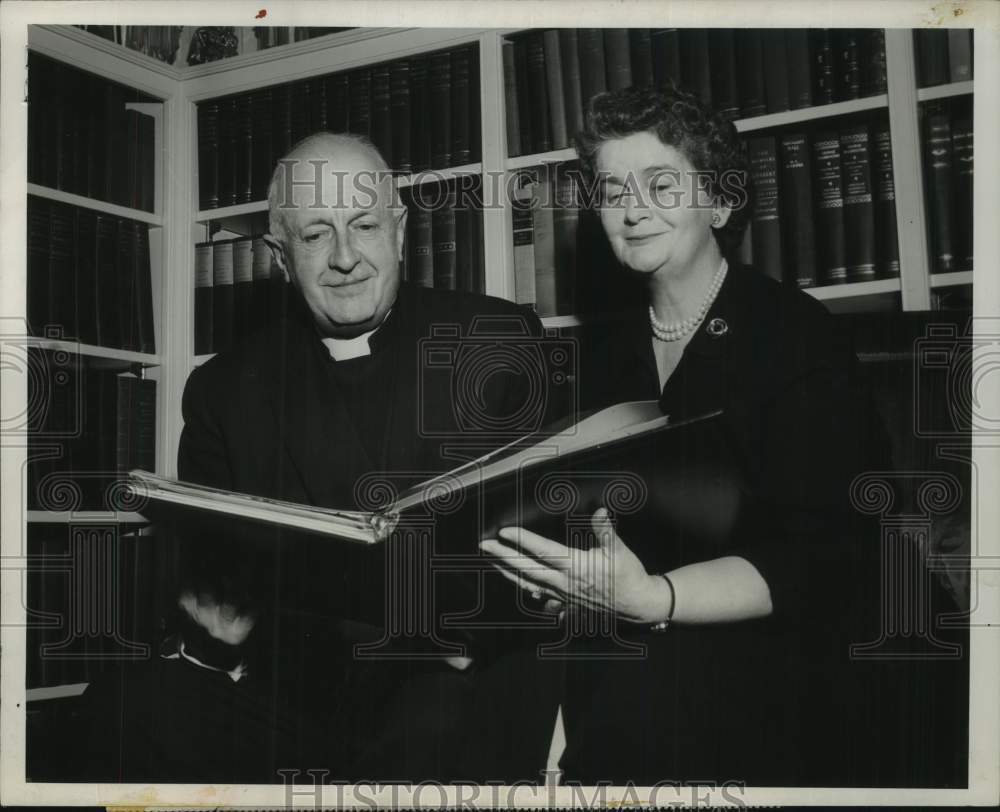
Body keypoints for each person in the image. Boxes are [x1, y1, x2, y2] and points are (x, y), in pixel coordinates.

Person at [481, 85, 967, 786]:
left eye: (660, 183)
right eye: (612, 188)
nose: (631, 207)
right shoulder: (601, 360)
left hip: (826, 639)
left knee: (642, 715)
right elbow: (609, 526)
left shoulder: (796, 336)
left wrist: (654, 599)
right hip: (662, 625)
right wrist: (563, 577)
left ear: (719, 201)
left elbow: (824, 556)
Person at [79, 132, 565, 783]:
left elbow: (550, 543)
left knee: (431, 726)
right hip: (295, 691)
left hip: (460, 673)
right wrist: (211, 625)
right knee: (122, 706)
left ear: (398, 231)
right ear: (281, 257)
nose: (344, 258)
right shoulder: (226, 387)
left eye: (363, 225)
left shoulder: (496, 339)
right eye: (314, 236)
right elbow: (213, 584)